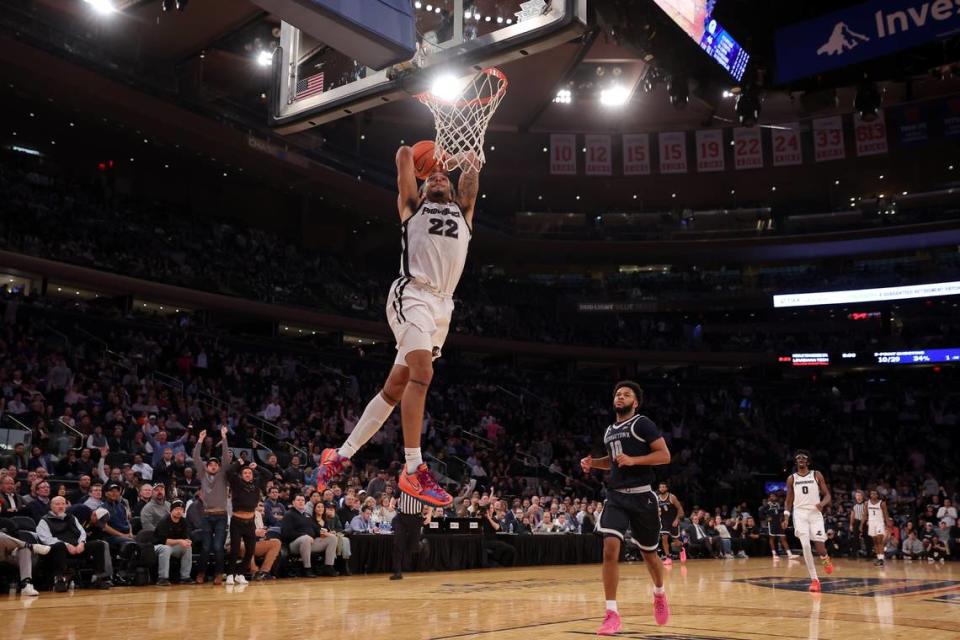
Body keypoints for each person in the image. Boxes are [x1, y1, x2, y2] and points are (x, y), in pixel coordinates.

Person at [314, 149, 482, 508]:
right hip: (413, 294)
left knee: (396, 387)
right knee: (423, 372)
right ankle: (413, 468)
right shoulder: (412, 207)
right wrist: (436, 156)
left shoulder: (463, 213)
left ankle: (340, 455)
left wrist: (467, 160)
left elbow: (470, 179)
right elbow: (404, 155)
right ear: (421, 191)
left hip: (443, 306)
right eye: (431, 178)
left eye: (443, 179)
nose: (438, 179)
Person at [581, 381, 671, 634]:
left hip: (643, 498)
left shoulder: (642, 423)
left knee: (650, 555)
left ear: (635, 402)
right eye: (618, 394)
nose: (620, 397)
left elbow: (664, 456)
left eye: (626, 394)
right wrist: (592, 463)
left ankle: (659, 594)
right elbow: (612, 462)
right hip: (616, 497)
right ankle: (611, 613)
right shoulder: (609, 430)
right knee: (610, 549)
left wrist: (635, 460)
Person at [783, 450, 835, 592]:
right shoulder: (791, 478)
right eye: (798, 457)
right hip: (799, 514)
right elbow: (788, 500)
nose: (800, 459)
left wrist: (822, 504)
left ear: (808, 461)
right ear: (795, 462)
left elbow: (828, 495)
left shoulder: (816, 475)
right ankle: (815, 580)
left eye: (803, 457)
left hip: (815, 513)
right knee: (805, 545)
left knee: (820, 548)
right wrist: (786, 516)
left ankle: (825, 558)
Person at [37, 498, 111, 591]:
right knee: (59, 545)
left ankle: (97, 578)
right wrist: (67, 545)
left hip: (76, 548)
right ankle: (59, 579)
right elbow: (46, 539)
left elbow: (82, 532)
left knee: (99, 544)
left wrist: (82, 543)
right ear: (51, 506)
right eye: (57, 504)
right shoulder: (44, 521)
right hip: (58, 551)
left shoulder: (71, 517)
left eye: (63, 504)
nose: (60, 506)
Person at [193, 426, 231, 585]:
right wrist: (200, 440)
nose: (214, 465)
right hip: (207, 516)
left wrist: (224, 438)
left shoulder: (223, 475)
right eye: (211, 464)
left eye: (216, 464)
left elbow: (226, 458)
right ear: (207, 467)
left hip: (221, 516)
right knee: (206, 547)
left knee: (218, 547)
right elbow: (196, 457)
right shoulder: (202, 475)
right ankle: (201, 573)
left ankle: (218, 573)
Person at [280, 494, 338, 577]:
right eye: (298, 500)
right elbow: (286, 534)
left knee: (332, 538)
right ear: (293, 502)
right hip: (294, 544)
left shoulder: (307, 515)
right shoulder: (289, 515)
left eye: (303, 500)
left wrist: (326, 532)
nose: (301, 502)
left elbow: (316, 529)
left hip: (310, 542)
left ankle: (328, 567)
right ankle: (307, 568)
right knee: (306, 538)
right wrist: (304, 535)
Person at [225, 460, 262, 586]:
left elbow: (267, 474)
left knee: (250, 550)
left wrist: (257, 467)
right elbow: (229, 471)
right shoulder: (237, 483)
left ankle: (240, 574)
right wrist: (239, 462)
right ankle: (230, 574)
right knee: (235, 549)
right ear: (241, 475)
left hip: (250, 522)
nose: (247, 474)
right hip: (237, 521)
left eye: (249, 473)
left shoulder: (256, 484)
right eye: (245, 472)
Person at [153, 500, 193, 585]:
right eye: (177, 509)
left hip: (173, 547)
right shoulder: (164, 521)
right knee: (166, 549)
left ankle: (185, 577)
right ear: (171, 510)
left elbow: (185, 537)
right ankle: (162, 578)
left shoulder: (183, 521)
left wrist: (187, 541)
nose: (179, 511)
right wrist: (180, 541)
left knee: (187, 547)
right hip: (158, 546)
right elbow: (164, 541)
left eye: (181, 509)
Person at [0, 531, 48, 596]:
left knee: (25, 549)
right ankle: (31, 546)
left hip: (7, 553)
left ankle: (26, 584)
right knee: (1, 536)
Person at [759, 492, 795, 560]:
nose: (773, 497)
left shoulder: (777, 504)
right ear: (769, 498)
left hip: (779, 523)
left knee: (783, 538)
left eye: (774, 496)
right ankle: (774, 554)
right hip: (772, 524)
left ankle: (789, 554)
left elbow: (780, 512)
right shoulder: (767, 505)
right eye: (772, 496)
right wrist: (766, 518)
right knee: (772, 538)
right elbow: (760, 513)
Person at [656, 482, 683, 565]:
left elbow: (680, 509)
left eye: (664, 487)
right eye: (660, 487)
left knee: (676, 541)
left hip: (673, 521)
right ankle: (668, 557)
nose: (662, 489)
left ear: (666, 488)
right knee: (664, 538)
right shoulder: (657, 498)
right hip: (663, 522)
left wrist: (677, 519)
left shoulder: (672, 497)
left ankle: (682, 549)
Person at [864, 489, 889, 567]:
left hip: (879, 523)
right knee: (875, 542)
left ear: (878, 495)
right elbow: (865, 515)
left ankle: (881, 559)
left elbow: (886, 515)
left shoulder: (882, 503)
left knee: (880, 541)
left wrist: (888, 524)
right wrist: (861, 525)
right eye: (872, 493)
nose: (873, 495)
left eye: (875, 494)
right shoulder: (867, 503)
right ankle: (878, 558)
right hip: (871, 523)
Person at [848, 490, 866, 559]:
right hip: (856, 522)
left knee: (866, 538)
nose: (858, 497)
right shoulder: (854, 504)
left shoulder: (865, 504)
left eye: (859, 495)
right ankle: (854, 555)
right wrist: (851, 524)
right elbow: (852, 515)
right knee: (855, 539)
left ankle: (868, 554)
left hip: (864, 522)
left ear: (862, 496)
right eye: (857, 495)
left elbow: (866, 514)